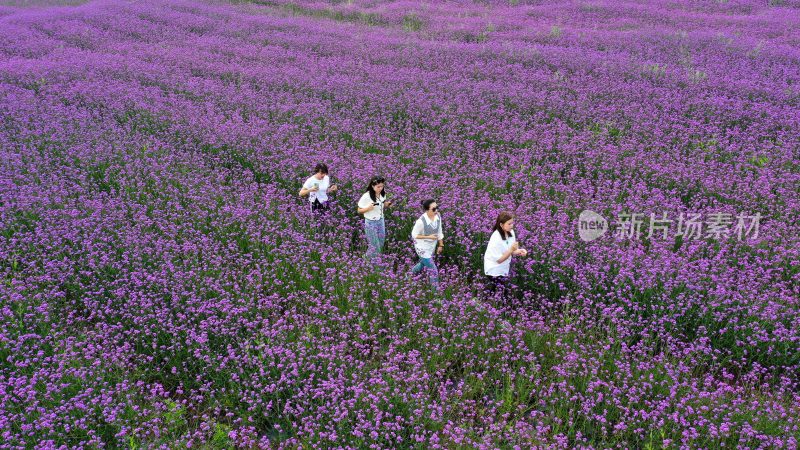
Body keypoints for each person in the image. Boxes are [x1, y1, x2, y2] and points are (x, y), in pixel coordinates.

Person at [483, 211, 528, 302]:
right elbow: (499, 260)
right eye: (509, 224)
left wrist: (520, 251)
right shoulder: (496, 237)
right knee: (501, 292)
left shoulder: (511, 232)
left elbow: (512, 251)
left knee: (495, 290)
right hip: (494, 268)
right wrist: (512, 250)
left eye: (512, 223)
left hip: (503, 268)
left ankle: (482, 303)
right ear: (501, 224)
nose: (512, 226)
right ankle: (488, 306)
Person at [409, 199, 444, 291]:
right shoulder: (421, 221)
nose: (436, 210)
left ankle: (408, 276)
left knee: (422, 264)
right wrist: (428, 236)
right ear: (427, 210)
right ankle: (435, 293)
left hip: (431, 247)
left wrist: (441, 245)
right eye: (434, 209)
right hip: (422, 248)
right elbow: (414, 235)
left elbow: (439, 231)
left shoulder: (438, 217)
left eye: (437, 207)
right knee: (433, 270)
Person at [357, 176, 393, 260]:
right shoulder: (366, 196)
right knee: (374, 246)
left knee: (380, 244)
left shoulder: (383, 193)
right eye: (378, 187)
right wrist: (368, 208)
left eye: (382, 186)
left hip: (381, 221)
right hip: (371, 223)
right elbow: (359, 210)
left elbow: (382, 204)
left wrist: (387, 204)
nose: (380, 188)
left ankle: (368, 259)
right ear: (372, 186)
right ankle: (370, 261)